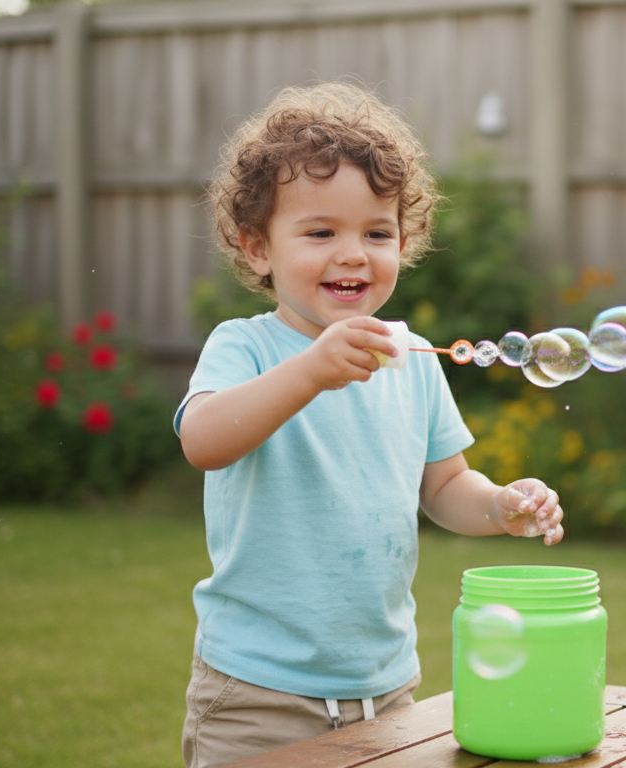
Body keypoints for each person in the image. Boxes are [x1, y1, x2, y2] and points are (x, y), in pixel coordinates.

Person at [175, 81, 563, 768]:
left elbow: (445, 487)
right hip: (256, 694)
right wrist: (311, 371)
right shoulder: (247, 348)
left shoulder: (410, 358)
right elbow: (203, 441)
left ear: (404, 243)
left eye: (376, 233)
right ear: (258, 247)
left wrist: (501, 506)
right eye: (320, 232)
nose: (352, 253)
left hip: (383, 689)